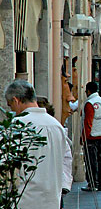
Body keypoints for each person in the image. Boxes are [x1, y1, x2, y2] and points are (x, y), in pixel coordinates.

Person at [5, 80, 72, 209]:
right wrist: (64, 186)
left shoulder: (17, 126)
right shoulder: (56, 125)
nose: (12, 110)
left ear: (16, 100)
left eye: (10, 105)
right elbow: (65, 158)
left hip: (25, 200)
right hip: (52, 200)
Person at [81, 82, 101, 192]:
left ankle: (93, 183)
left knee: (91, 160)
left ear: (88, 91)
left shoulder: (89, 103)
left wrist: (83, 137)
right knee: (100, 159)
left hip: (91, 136)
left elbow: (88, 122)